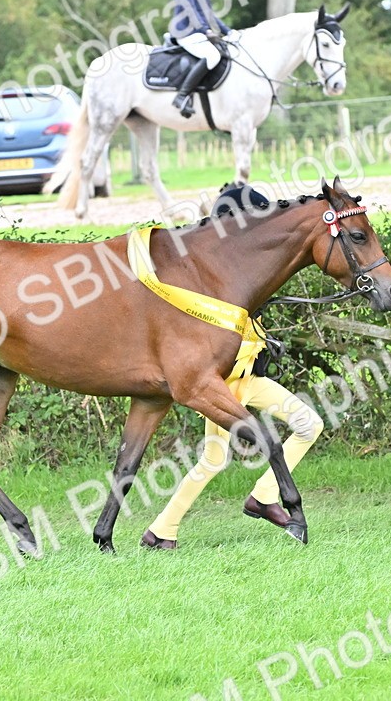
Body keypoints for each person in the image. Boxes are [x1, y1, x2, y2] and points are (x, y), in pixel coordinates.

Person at [141, 186, 326, 549]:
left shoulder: (238, 278)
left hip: (247, 382)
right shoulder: (216, 283)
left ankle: (256, 498)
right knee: (214, 459)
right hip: (224, 388)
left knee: (304, 426)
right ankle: (165, 529)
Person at [168, 0, 238, 119]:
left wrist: (228, 31)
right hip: (185, 31)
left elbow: (207, 12)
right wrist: (204, 30)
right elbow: (188, 7)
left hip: (197, 30)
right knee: (212, 56)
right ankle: (182, 96)